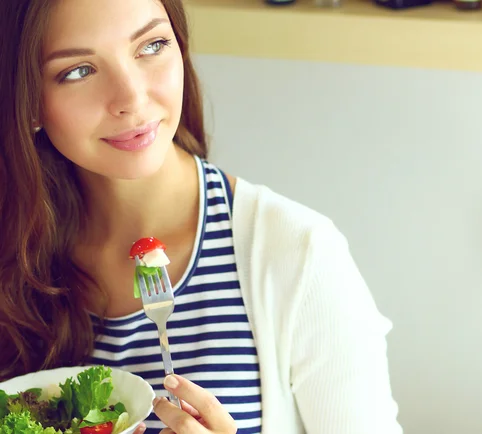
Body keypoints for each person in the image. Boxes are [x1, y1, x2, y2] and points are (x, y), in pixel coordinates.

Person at [0, 0, 403, 433]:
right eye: (78, 70)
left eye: (151, 45)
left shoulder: (297, 254)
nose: (132, 98)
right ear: (29, 99)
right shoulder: (13, 249)